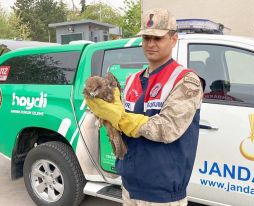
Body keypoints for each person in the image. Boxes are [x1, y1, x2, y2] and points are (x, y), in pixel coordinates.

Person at [85, 8, 203, 206]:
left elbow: (167, 128)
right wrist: (105, 115)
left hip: (163, 194)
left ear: (173, 40)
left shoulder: (186, 81)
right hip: (130, 186)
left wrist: (120, 118)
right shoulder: (131, 80)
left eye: (158, 38)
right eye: (146, 38)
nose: (151, 44)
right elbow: (118, 125)